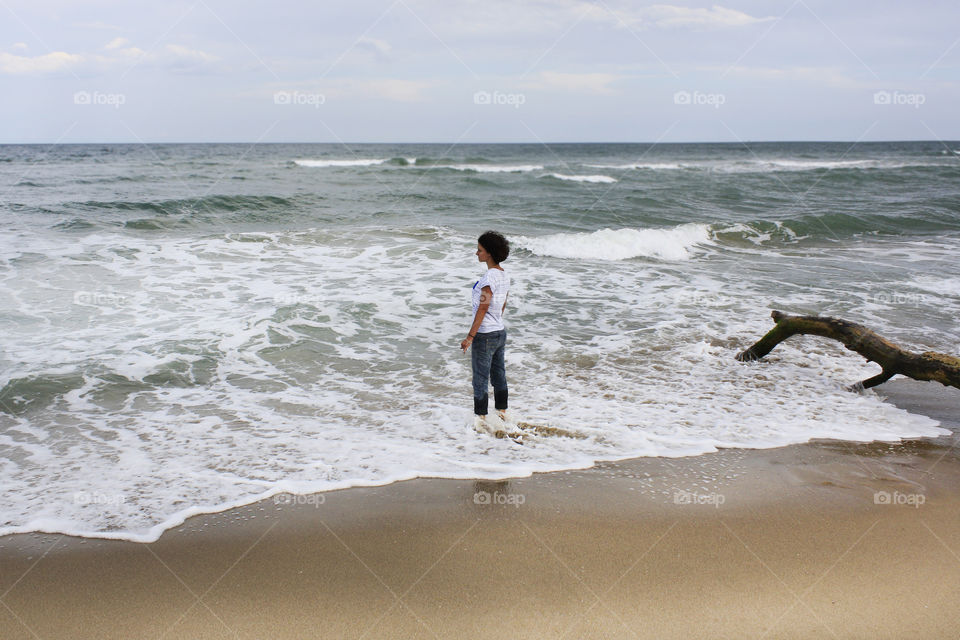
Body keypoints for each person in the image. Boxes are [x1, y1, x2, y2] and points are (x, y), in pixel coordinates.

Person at [460, 231, 510, 431]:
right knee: (499, 374)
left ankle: (481, 419)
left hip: (485, 334)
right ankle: (502, 413)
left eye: (479, 250)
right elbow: (503, 303)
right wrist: (497, 320)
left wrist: (470, 336)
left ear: (489, 253)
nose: (476, 253)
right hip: (499, 331)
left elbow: (483, 307)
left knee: (480, 378)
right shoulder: (503, 274)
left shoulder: (489, 277)